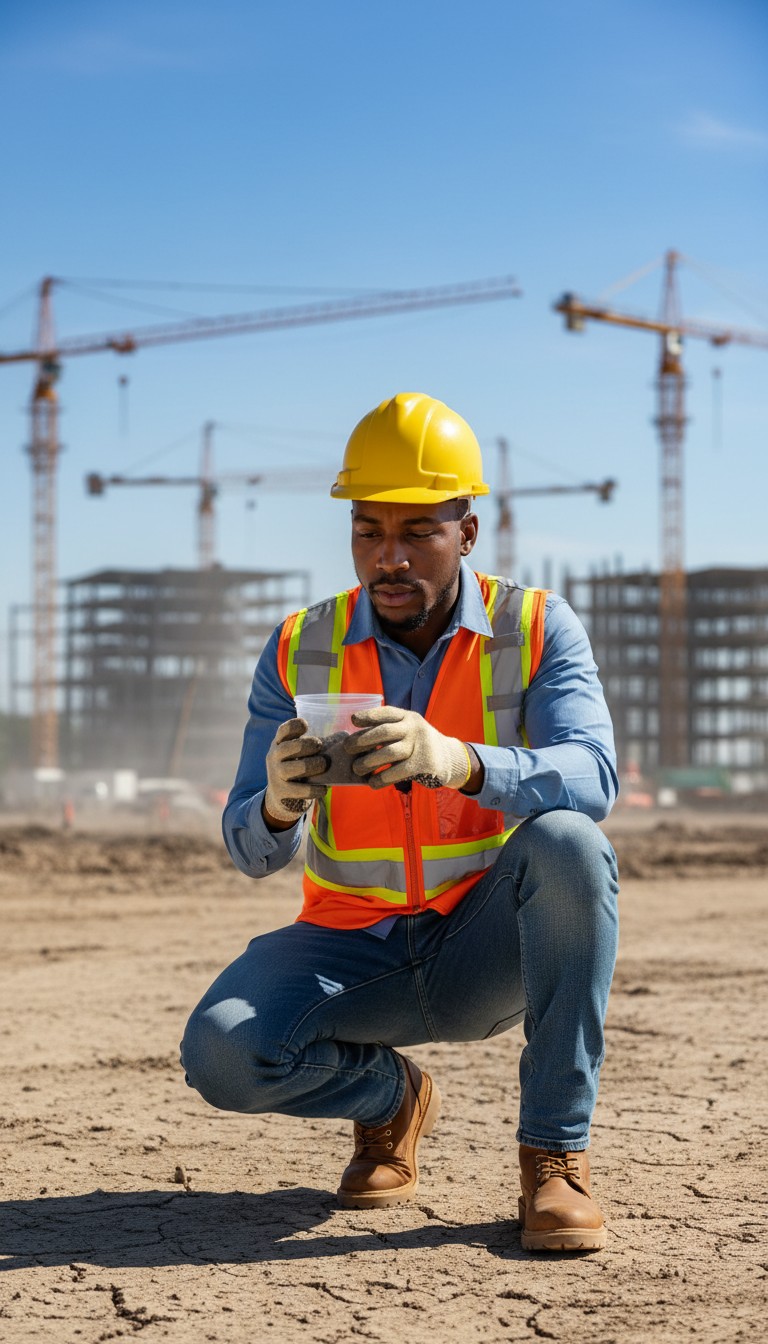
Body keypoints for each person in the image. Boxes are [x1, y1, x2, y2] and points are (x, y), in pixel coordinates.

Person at [181, 392, 620, 1253]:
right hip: (351, 951)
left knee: (573, 842)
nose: (389, 557)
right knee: (224, 1054)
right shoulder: (300, 644)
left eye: (418, 531)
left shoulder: (533, 628)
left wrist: (459, 760)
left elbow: (594, 776)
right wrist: (275, 802)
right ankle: (392, 1103)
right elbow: (246, 846)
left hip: (483, 947)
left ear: (468, 531)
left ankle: (555, 1158)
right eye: (368, 530)